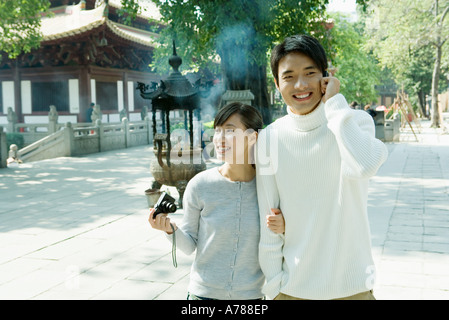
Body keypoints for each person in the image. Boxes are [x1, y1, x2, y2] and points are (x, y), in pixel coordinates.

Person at [255, 34, 388, 300]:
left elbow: (363, 166)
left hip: (353, 289)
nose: (301, 84)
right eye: (289, 76)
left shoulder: (354, 123)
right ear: (277, 83)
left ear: (325, 78)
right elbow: (268, 220)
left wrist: (335, 105)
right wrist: (274, 286)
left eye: (310, 73)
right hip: (292, 290)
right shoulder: (269, 138)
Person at [149, 102, 285, 300]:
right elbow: (189, 246)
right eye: (218, 131)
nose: (220, 138)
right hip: (203, 296)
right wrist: (169, 229)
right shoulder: (200, 185)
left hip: (250, 298)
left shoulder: (269, 187)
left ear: (252, 137)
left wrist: (284, 227)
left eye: (230, 130)